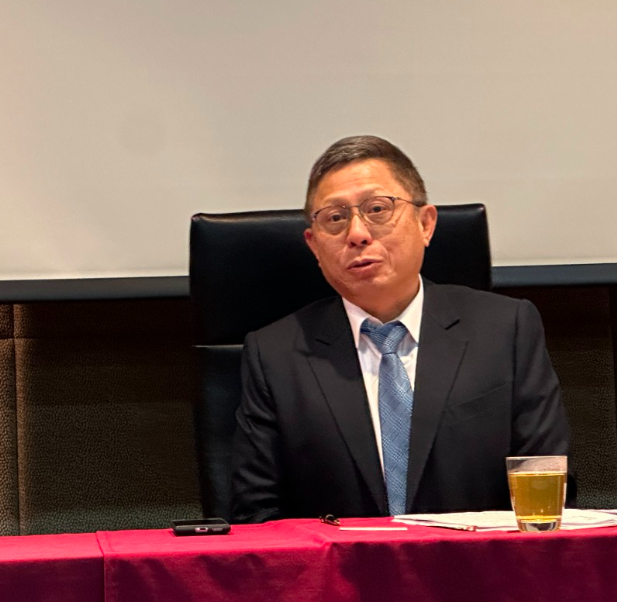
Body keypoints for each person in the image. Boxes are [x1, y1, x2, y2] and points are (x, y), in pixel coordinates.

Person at [230, 135, 570, 523]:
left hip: (478, 559)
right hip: (339, 562)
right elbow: (257, 515)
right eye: (335, 218)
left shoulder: (505, 329)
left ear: (425, 224)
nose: (357, 234)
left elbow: (546, 489)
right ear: (313, 246)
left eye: (377, 209)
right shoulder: (275, 355)